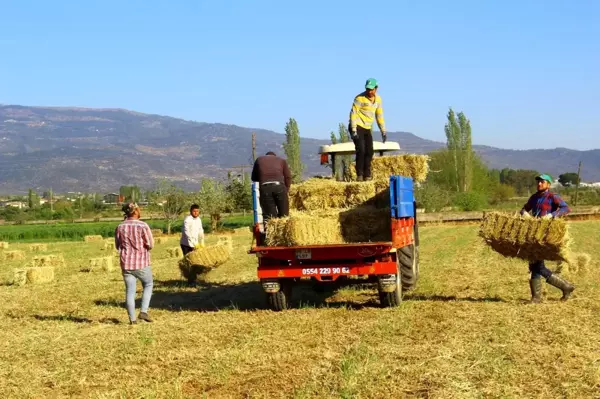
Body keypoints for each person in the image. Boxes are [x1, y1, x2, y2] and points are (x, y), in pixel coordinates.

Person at [520, 173, 575, 303]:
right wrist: (525, 214)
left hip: (546, 235)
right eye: (538, 182)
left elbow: (566, 208)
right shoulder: (534, 198)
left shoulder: (553, 197)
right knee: (536, 265)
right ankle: (565, 287)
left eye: (542, 182)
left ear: (548, 185)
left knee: (536, 264)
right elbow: (523, 209)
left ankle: (537, 297)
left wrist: (551, 215)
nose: (539, 184)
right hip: (534, 234)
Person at [114, 202, 155, 324]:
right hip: (141, 263)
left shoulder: (120, 226)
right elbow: (151, 244)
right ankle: (143, 311)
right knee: (148, 284)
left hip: (126, 264)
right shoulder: (143, 226)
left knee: (130, 291)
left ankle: (132, 320)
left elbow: (117, 245)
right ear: (136, 211)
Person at [349, 78, 387, 181]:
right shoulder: (359, 98)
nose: (369, 91)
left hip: (367, 128)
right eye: (367, 89)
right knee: (361, 149)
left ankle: (367, 175)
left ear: (376, 89)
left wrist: (383, 131)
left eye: (371, 89)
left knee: (369, 151)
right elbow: (353, 113)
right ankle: (360, 175)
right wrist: (353, 130)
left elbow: (379, 115)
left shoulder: (378, 100)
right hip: (357, 126)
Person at [251, 151, 292, 222]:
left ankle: (272, 231)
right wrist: (287, 189)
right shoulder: (282, 160)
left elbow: (253, 178)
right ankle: (284, 229)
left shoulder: (259, 159)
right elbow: (288, 177)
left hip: (265, 187)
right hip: (279, 186)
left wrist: (262, 177)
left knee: (270, 217)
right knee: (284, 214)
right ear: (274, 156)